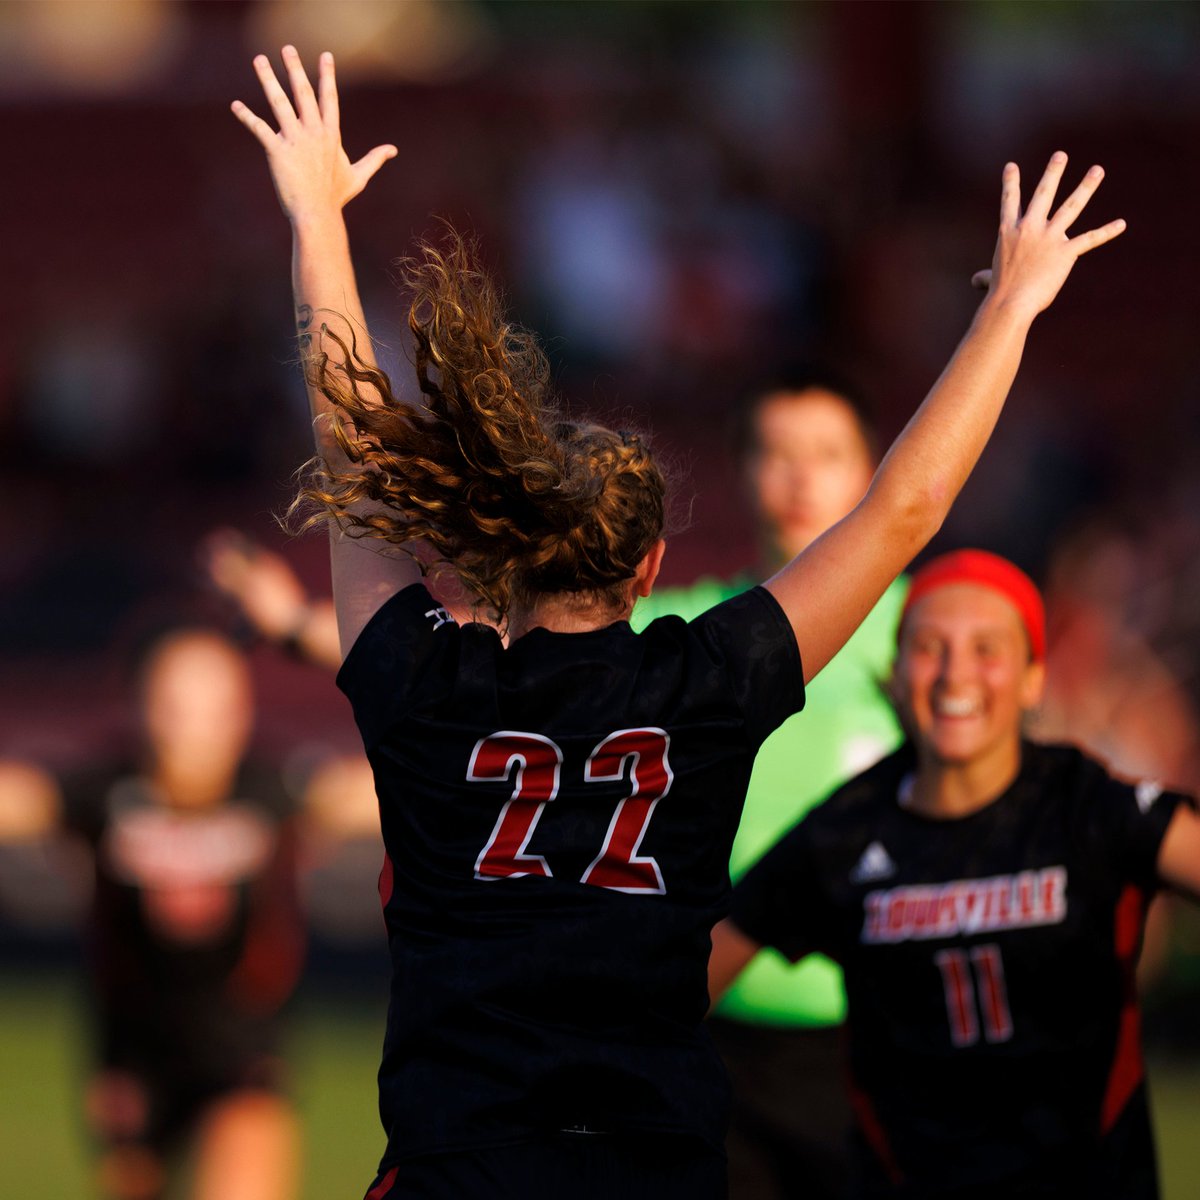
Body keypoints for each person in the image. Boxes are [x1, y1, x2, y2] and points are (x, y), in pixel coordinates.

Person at [231, 43, 1123, 1198]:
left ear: (503, 552)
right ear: (652, 565)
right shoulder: (709, 677)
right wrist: (1012, 304)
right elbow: (906, 510)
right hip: (653, 1170)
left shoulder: (427, 685)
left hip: (459, 1168)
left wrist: (318, 222)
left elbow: (354, 456)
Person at [709, 550, 1200, 1199]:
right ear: (894, 673)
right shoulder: (849, 827)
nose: (954, 674)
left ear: (1032, 679)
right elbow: (687, 977)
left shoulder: (1084, 803)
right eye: (929, 647)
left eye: (987, 648)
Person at [632, 372, 905, 1198]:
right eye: (774, 454)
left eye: (825, 454)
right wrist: (302, 630)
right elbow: (494, 667)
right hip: (705, 1031)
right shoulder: (681, 632)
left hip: (877, 1040)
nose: (799, 478)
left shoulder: (934, 639)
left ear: (870, 471)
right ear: (740, 470)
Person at [0, 626, 304, 1200]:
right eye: (176, 704)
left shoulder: (271, 791)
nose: (195, 729)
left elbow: (370, 794)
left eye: (216, 705)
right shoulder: (107, 793)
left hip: (243, 1056)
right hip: (131, 1061)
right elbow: (20, 798)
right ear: (142, 707)